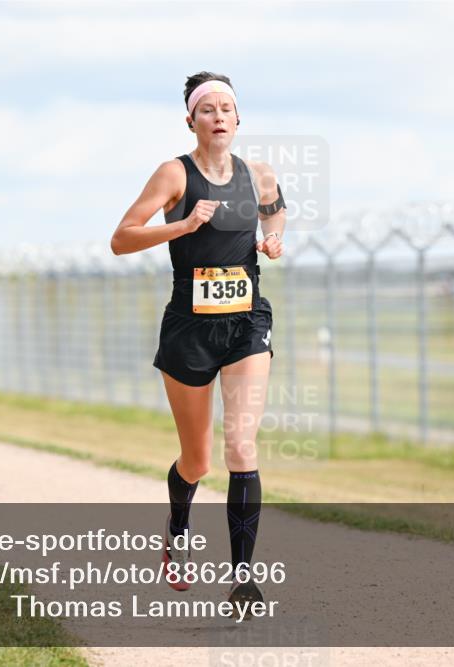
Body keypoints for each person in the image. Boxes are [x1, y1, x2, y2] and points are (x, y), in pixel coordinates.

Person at [110, 71, 286, 611]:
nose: (218, 117)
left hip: (245, 322)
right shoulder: (173, 174)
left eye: (227, 109)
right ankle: (178, 530)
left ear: (238, 119)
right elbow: (121, 239)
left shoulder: (258, 174)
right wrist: (181, 227)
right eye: (207, 109)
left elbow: (276, 209)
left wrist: (275, 238)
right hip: (189, 325)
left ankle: (242, 578)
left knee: (241, 446)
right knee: (198, 460)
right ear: (191, 119)